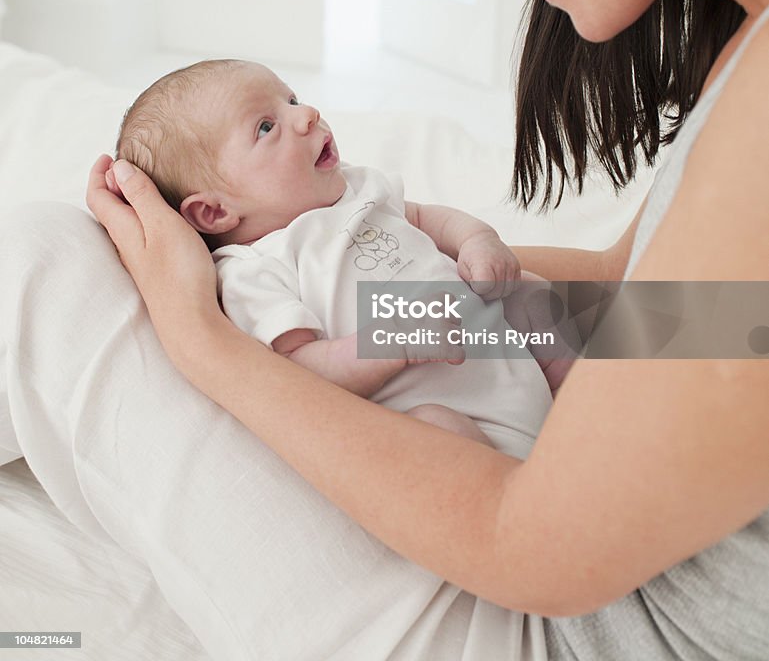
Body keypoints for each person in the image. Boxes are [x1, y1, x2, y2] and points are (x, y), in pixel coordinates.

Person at [87, 0, 769, 657]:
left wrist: (204, 342)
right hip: (595, 545)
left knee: (42, 273)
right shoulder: (751, 43)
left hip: (601, 625)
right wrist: (431, 270)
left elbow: (529, 547)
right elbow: (665, 304)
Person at [113, 56, 561, 453]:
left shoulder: (354, 187)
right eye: (266, 126)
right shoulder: (254, 271)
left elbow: (425, 218)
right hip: (468, 430)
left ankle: (599, 404)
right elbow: (299, 372)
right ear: (213, 211)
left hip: (515, 364)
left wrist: (477, 239)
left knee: (536, 296)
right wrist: (390, 342)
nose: (307, 115)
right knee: (429, 430)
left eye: (293, 100)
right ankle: (530, 491)